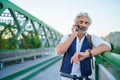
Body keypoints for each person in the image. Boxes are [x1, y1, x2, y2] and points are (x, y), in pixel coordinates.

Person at [56, 12, 111, 80]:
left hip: (84, 78)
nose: (84, 25)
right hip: (65, 78)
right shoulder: (67, 37)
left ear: (88, 25)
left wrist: (87, 53)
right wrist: (74, 34)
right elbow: (59, 51)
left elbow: (107, 46)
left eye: (86, 23)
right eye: (81, 22)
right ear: (76, 24)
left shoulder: (91, 38)